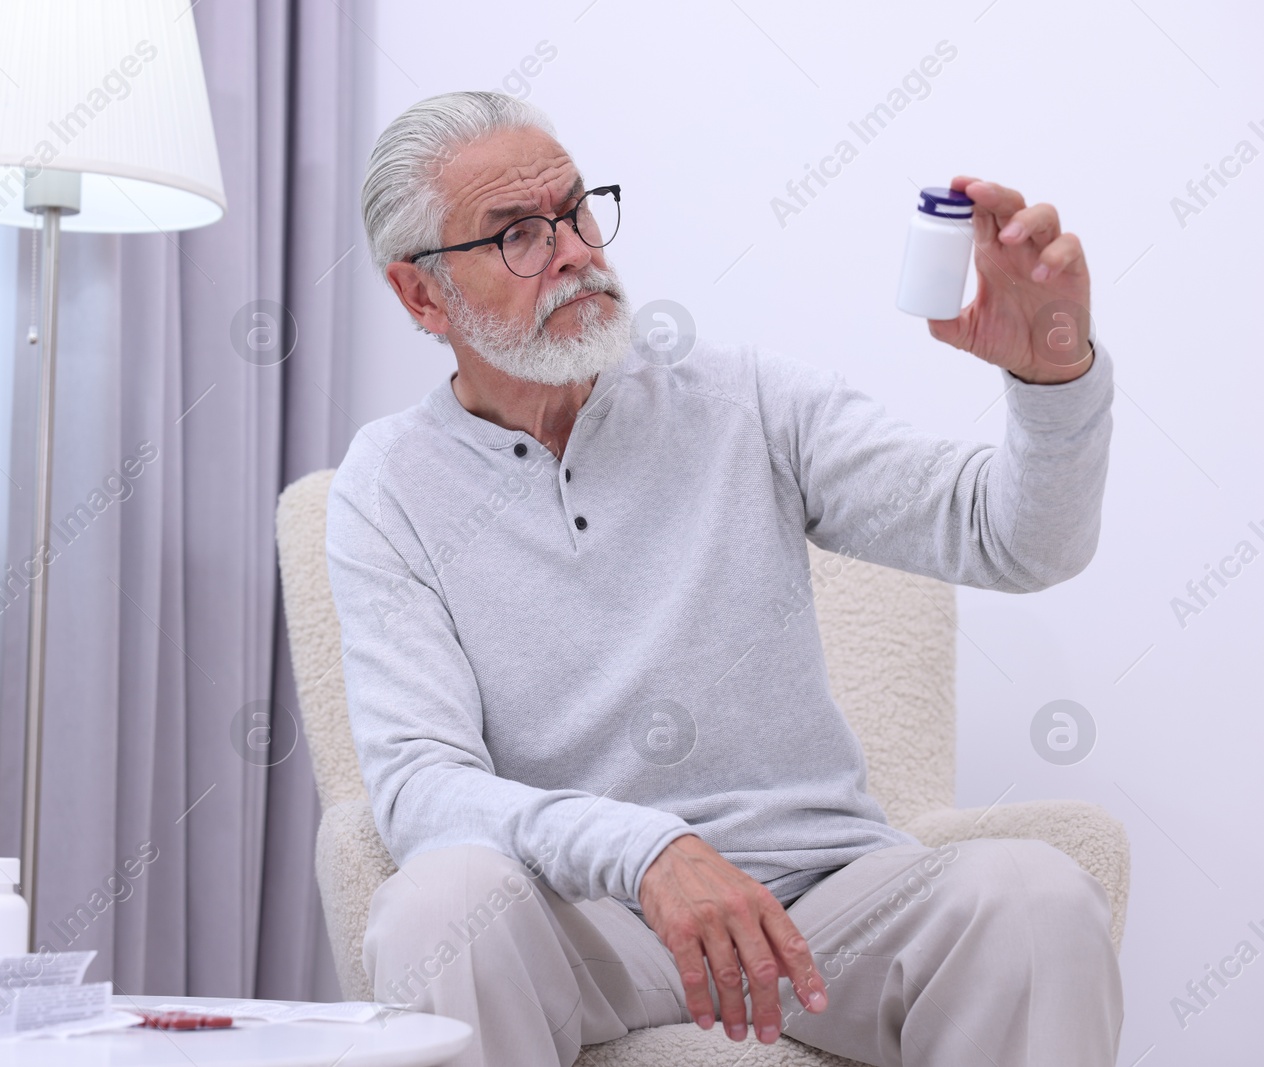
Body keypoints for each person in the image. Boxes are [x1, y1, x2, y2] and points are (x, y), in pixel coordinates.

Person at [324, 90, 1121, 1067]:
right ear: (420, 296)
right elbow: (419, 786)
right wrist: (644, 848)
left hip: (820, 906)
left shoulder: (743, 396)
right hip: (588, 922)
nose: (574, 248)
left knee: (1036, 898)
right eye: (518, 236)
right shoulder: (387, 484)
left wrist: (1052, 371)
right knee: (439, 904)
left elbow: (1016, 540)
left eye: (575, 210)